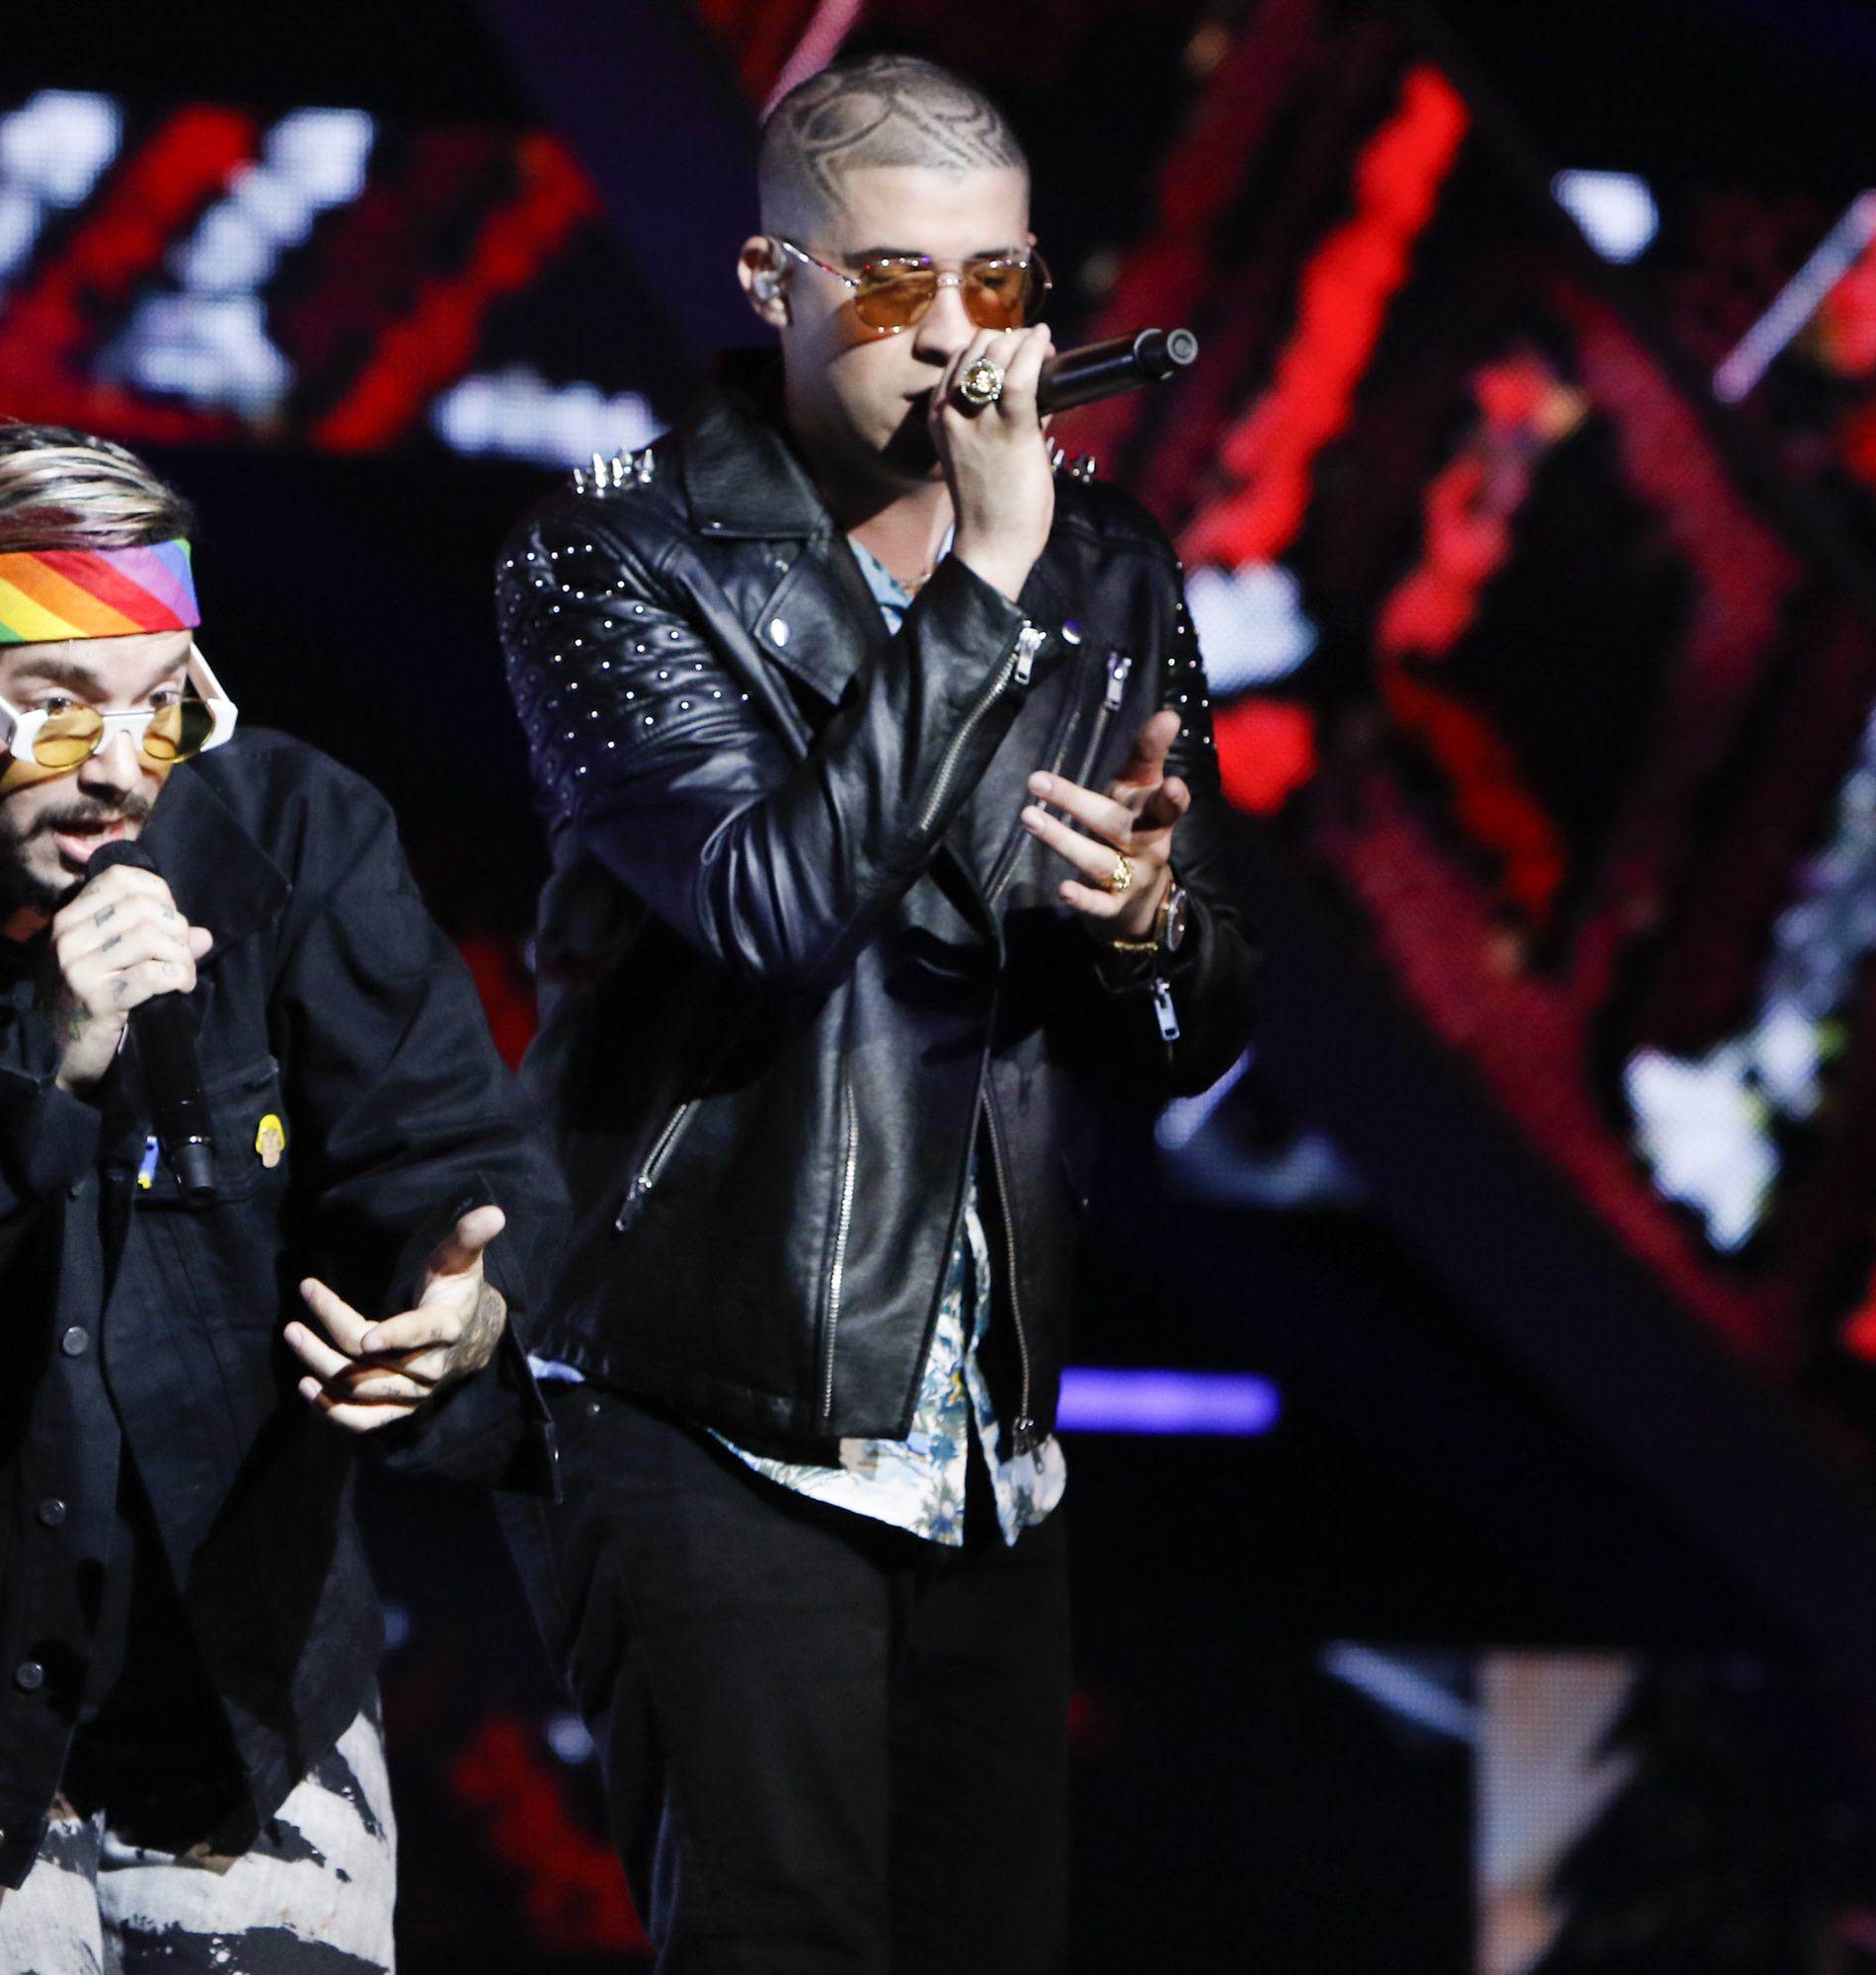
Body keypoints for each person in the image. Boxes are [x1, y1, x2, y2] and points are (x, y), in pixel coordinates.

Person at [491, 53, 1260, 1973]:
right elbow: (770, 906)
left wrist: (1150, 927)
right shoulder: (614, 552)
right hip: (702, 1392)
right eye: (900, 282)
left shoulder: (1112, 567)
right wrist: (980, 579)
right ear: (775, 278)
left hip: (984, 1429)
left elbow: (1195, 1042)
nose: (957, 339)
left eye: (997, 282)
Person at [0, 425, 559, 1973]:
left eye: (164, 703)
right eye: (60, 712)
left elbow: (450, 1152)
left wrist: (462, 1317)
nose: (125, 767)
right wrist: (44, 1058)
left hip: (245, 1675)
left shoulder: (293, 832)